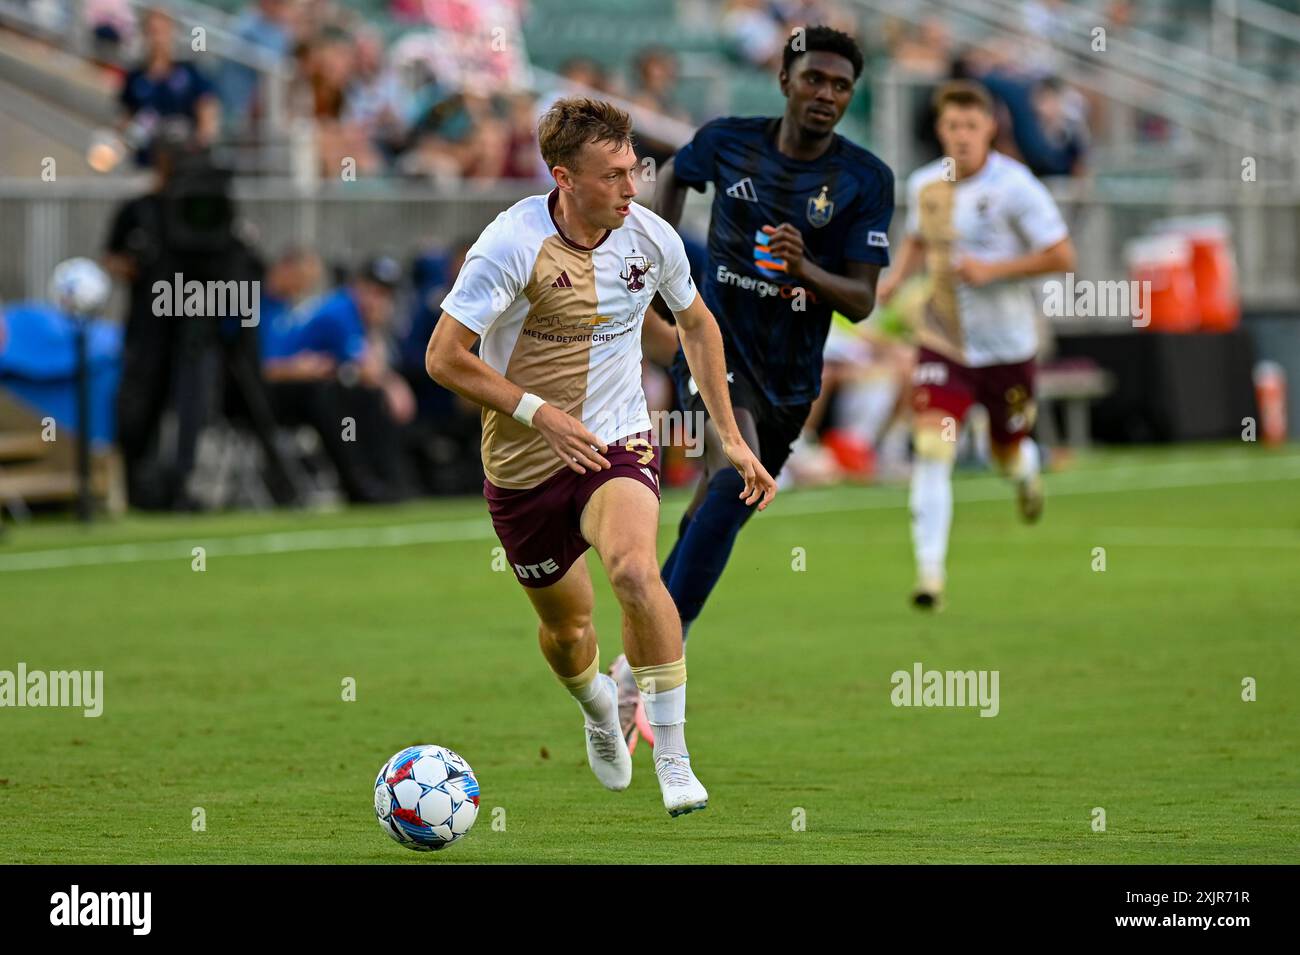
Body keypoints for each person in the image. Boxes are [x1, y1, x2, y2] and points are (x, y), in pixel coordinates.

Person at [424, 97, 776, 816]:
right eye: (614, 174)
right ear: (564, 177)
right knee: (567, 629)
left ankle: (674, 758)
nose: (631, 187)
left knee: (635, 570)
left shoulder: (649, 240)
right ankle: (594, 709)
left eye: (635, 170)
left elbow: (698, 325)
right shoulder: (509, 244)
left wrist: (729, 437)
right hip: (522, 463)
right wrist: (537, 413)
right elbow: (442, 359)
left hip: (617, 439)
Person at [635, 26, 893, 706]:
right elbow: (673, 176)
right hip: (712, 348)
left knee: (718, 504)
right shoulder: (727, 140)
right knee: (733, 465)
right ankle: (656, 662)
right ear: (785, 80)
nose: (826, 95)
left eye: (841, 86)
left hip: (793, 381)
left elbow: (863, 301)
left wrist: (805, 266)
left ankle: (645, 643)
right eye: (814, 79)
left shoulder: (865, 179)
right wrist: (662, 279)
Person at [875, 80, 1077, 610]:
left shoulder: (1017, 187)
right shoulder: (926, 185)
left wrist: (996, 270)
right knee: (934, 449)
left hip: (1008, 347)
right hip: (943, 342)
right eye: (952, 126)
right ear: (940, 130)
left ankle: (1027, 471)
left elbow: (1061, 255)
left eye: (971, 125)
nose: (961, 136)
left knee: (1003, 453)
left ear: (990, 127)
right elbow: (920, 237)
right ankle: (929, 574)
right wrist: (896, 280)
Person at [118, 8, 220, 166]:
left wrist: (202, 141)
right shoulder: (136, 75)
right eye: (153, 31)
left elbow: (207, 108)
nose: (158, 38)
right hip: (146, 157)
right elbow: (126, 115)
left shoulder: (189, 71)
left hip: (183, 158)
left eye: (164, 31)